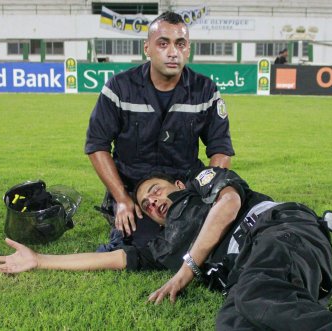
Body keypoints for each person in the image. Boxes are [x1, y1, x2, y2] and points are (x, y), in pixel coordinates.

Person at [0, 168, 332, 330]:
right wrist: (39, 260)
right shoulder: (162, 245)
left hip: (281, 232)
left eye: (155, 190)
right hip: (249, 272)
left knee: (256, 292)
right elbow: (108, 258)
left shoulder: (203, 185)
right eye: (146, 205)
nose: (153, 202)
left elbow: (230, 206)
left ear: (175, 184)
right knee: (233, 322)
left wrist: (188, 267)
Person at [85, 11, 234, 250]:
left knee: (213, 233)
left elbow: (220, 149)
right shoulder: (119, 88)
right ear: (147, 48)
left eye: (180, 44)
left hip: (182, 186)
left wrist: (207, 193)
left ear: (188, 49)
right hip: (136, 191)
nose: (172, 52)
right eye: (163, 43)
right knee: (141, 242)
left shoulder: (205, 90)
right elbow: (96, 145)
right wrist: (122, 199)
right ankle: (122, 215)